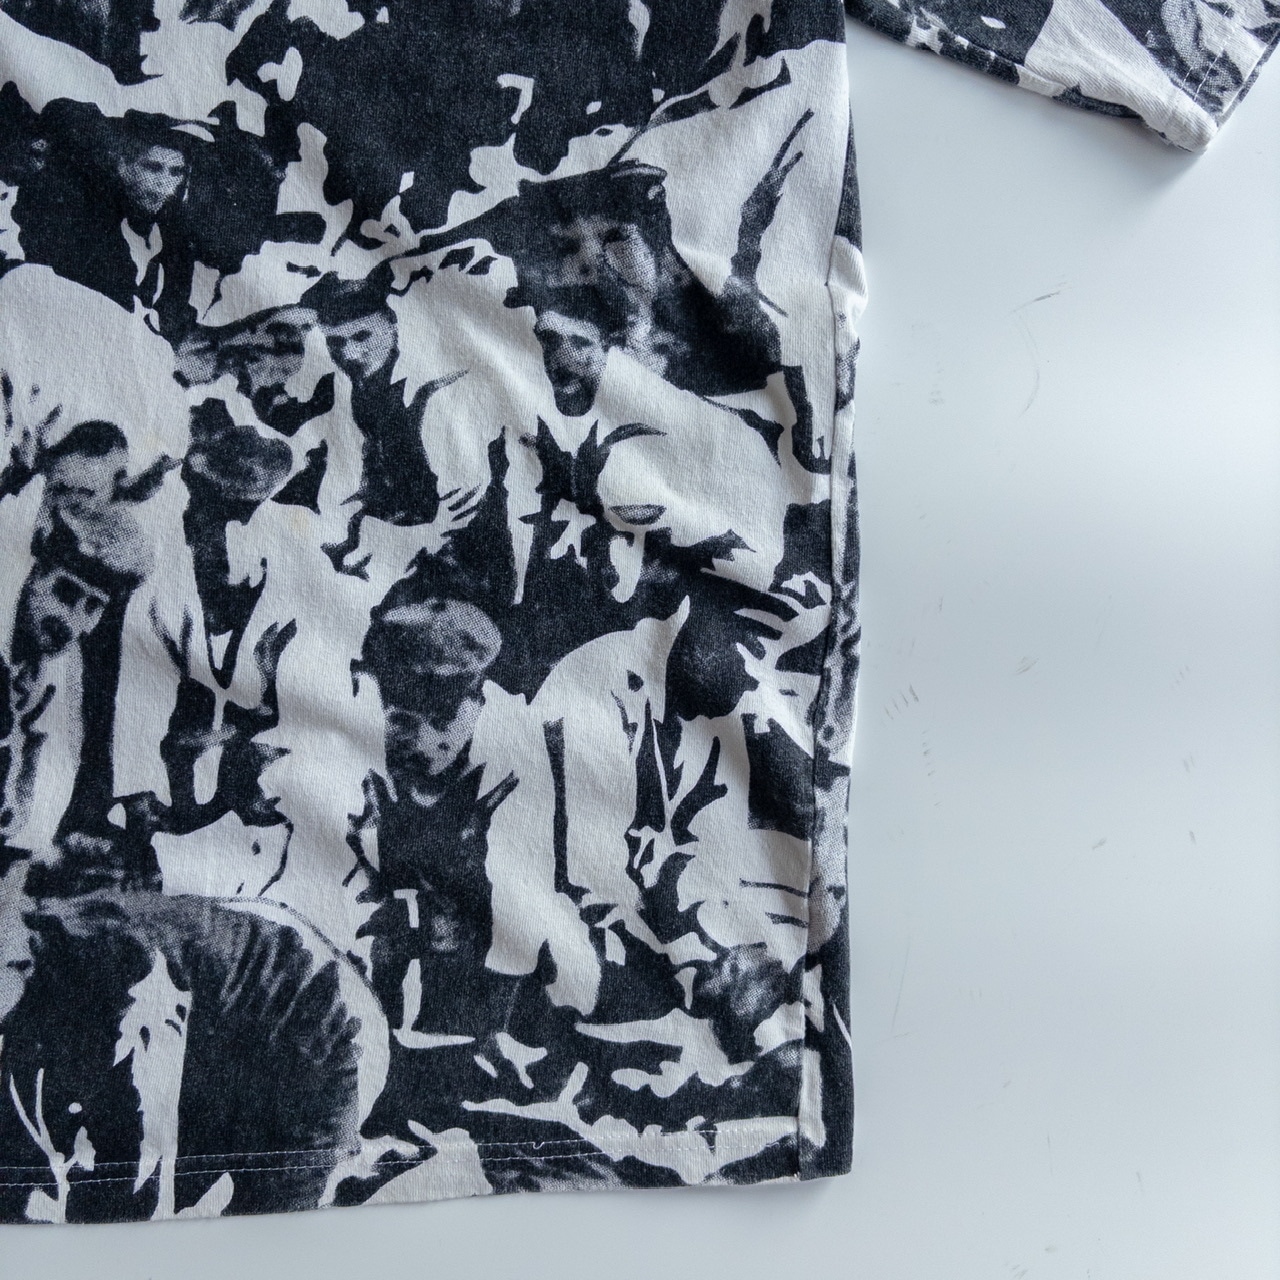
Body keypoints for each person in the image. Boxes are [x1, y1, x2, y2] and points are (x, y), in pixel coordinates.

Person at [302, 269, 446, 576]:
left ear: (392, 325)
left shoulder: (429, 393)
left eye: (362, 336)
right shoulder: (349, 390)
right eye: (335, 342)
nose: (350, 353)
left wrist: (369, 535)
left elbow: (453, 504)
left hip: (428, 554)